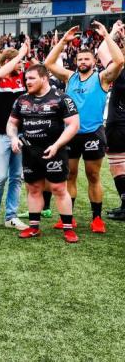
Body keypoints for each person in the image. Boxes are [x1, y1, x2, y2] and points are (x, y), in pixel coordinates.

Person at [44, 22, 124, 233]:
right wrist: (63, 41)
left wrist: (107, 34)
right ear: (76, 61)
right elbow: (48, 63)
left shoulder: (102, 78)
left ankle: (96, 218)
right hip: (70, 134)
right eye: (79, 59)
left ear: (95, 61)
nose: (82, 62)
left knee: (93, 175)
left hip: (93, 134)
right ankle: (67, 218)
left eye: (87, 58)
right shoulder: (69, 77)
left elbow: (119, 60)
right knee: (69, 175)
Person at [7, 64, 80, 242]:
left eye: (31, 78)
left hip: (55, 150)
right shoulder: (21, 100)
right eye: (26, 79)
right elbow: (11, 123)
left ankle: (68, 229)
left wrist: (57, 145)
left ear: (44, 78)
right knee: (33, 188)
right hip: (30, 152)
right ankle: (34, 228)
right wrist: (13, 138)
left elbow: (74, 125)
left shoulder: (62, 98)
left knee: (58, 188)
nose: (27, 82)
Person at [0, 39, 30, 230]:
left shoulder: (23, 78)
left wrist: (8, 55)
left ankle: (11, 216)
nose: (19, 65)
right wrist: (18, 54)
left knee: (16, 177)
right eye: (17, 62)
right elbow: (2, 69)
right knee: (1, 176)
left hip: (19, 135)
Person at [99, 21, 125, 220]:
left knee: (117, 165)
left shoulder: (119, 70)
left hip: (118, 123)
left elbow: (101, 50)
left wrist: (113, 32)